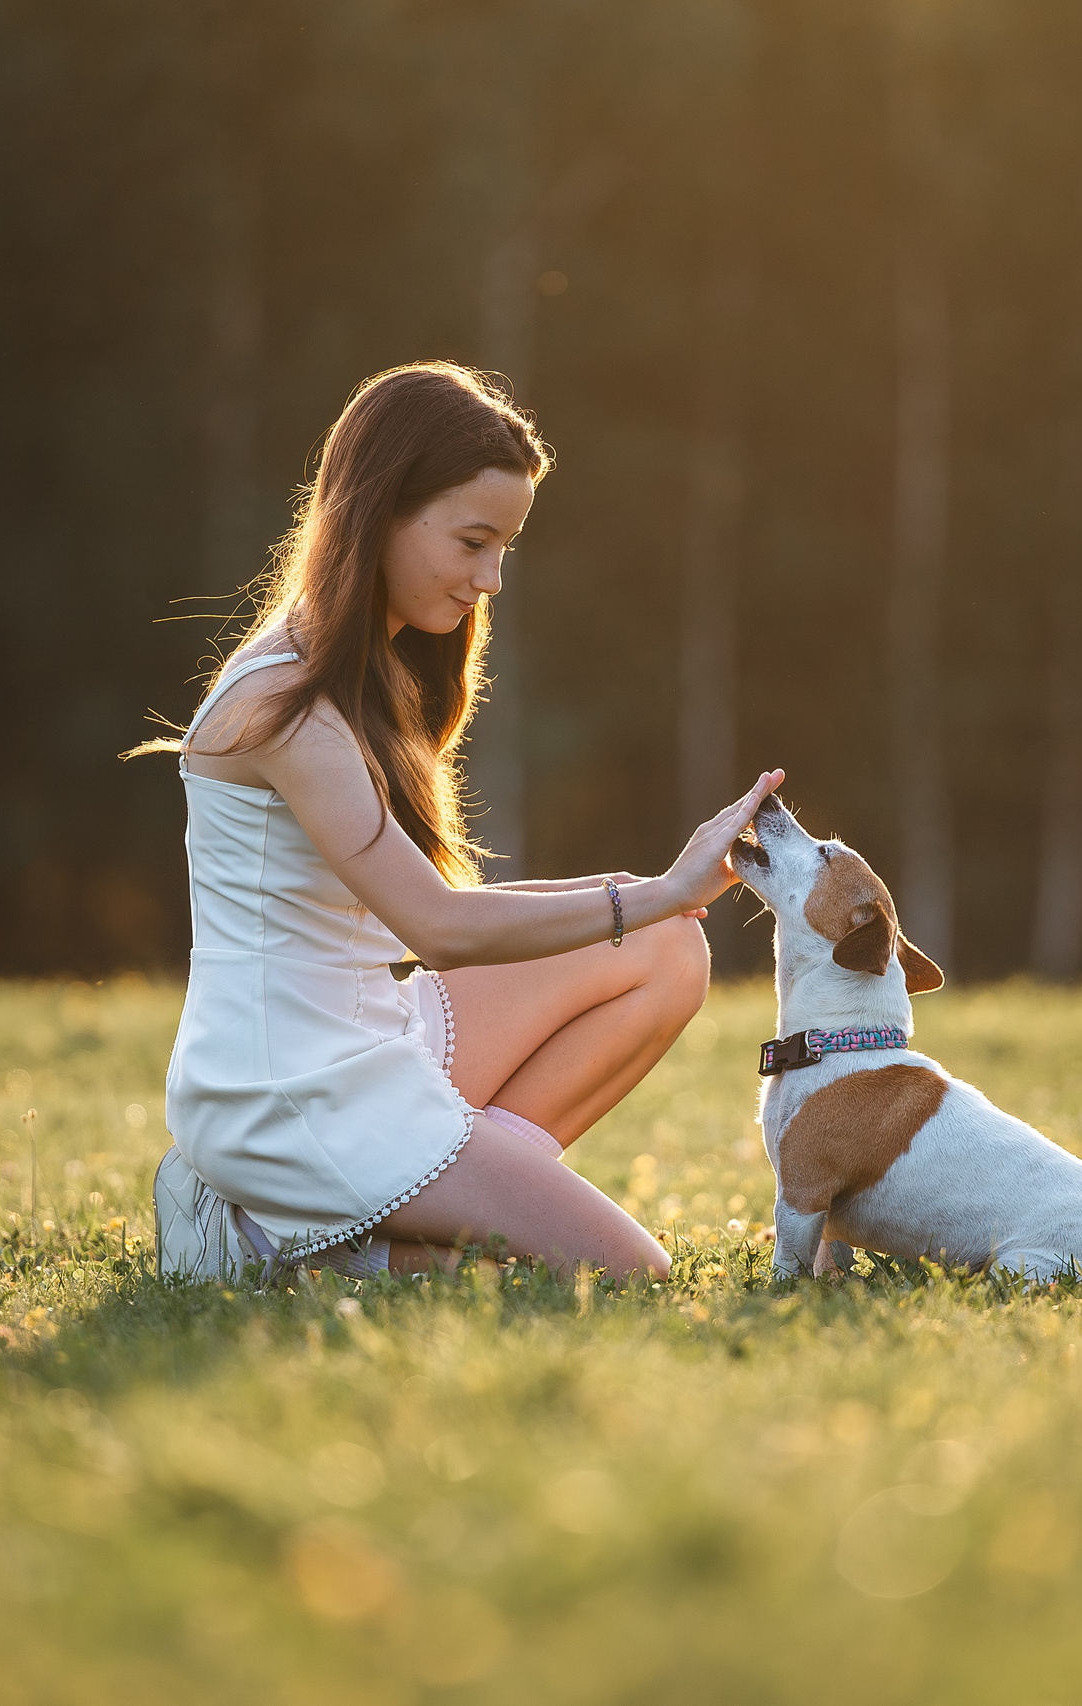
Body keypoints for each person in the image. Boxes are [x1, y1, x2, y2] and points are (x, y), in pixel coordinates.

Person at [131, 362, 781, 1282]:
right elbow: (435, 925)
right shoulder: (285, 702)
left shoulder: (375, 671)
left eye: (505, 548)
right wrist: (658, 889)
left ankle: (415, 1214)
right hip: (283, 1096)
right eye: (474, 542)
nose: (493, 578)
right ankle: (268, 1239)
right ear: (380, 511)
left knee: (668, 945)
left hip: (375, 1035)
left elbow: (449, 915)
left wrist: (661, 895)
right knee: (629, 1274)